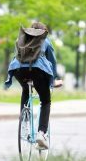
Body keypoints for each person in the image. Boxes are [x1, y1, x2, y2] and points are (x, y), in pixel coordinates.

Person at [4, 21, 62, 149]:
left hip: (19, 70)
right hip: (37, 71)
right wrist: (54, 79)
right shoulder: (45, 41)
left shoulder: (21, 39)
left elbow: (17, 55)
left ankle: (24, 122)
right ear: (43, 32)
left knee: (25, 89)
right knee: (45, 101)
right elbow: (52, 61)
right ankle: (41, 133)